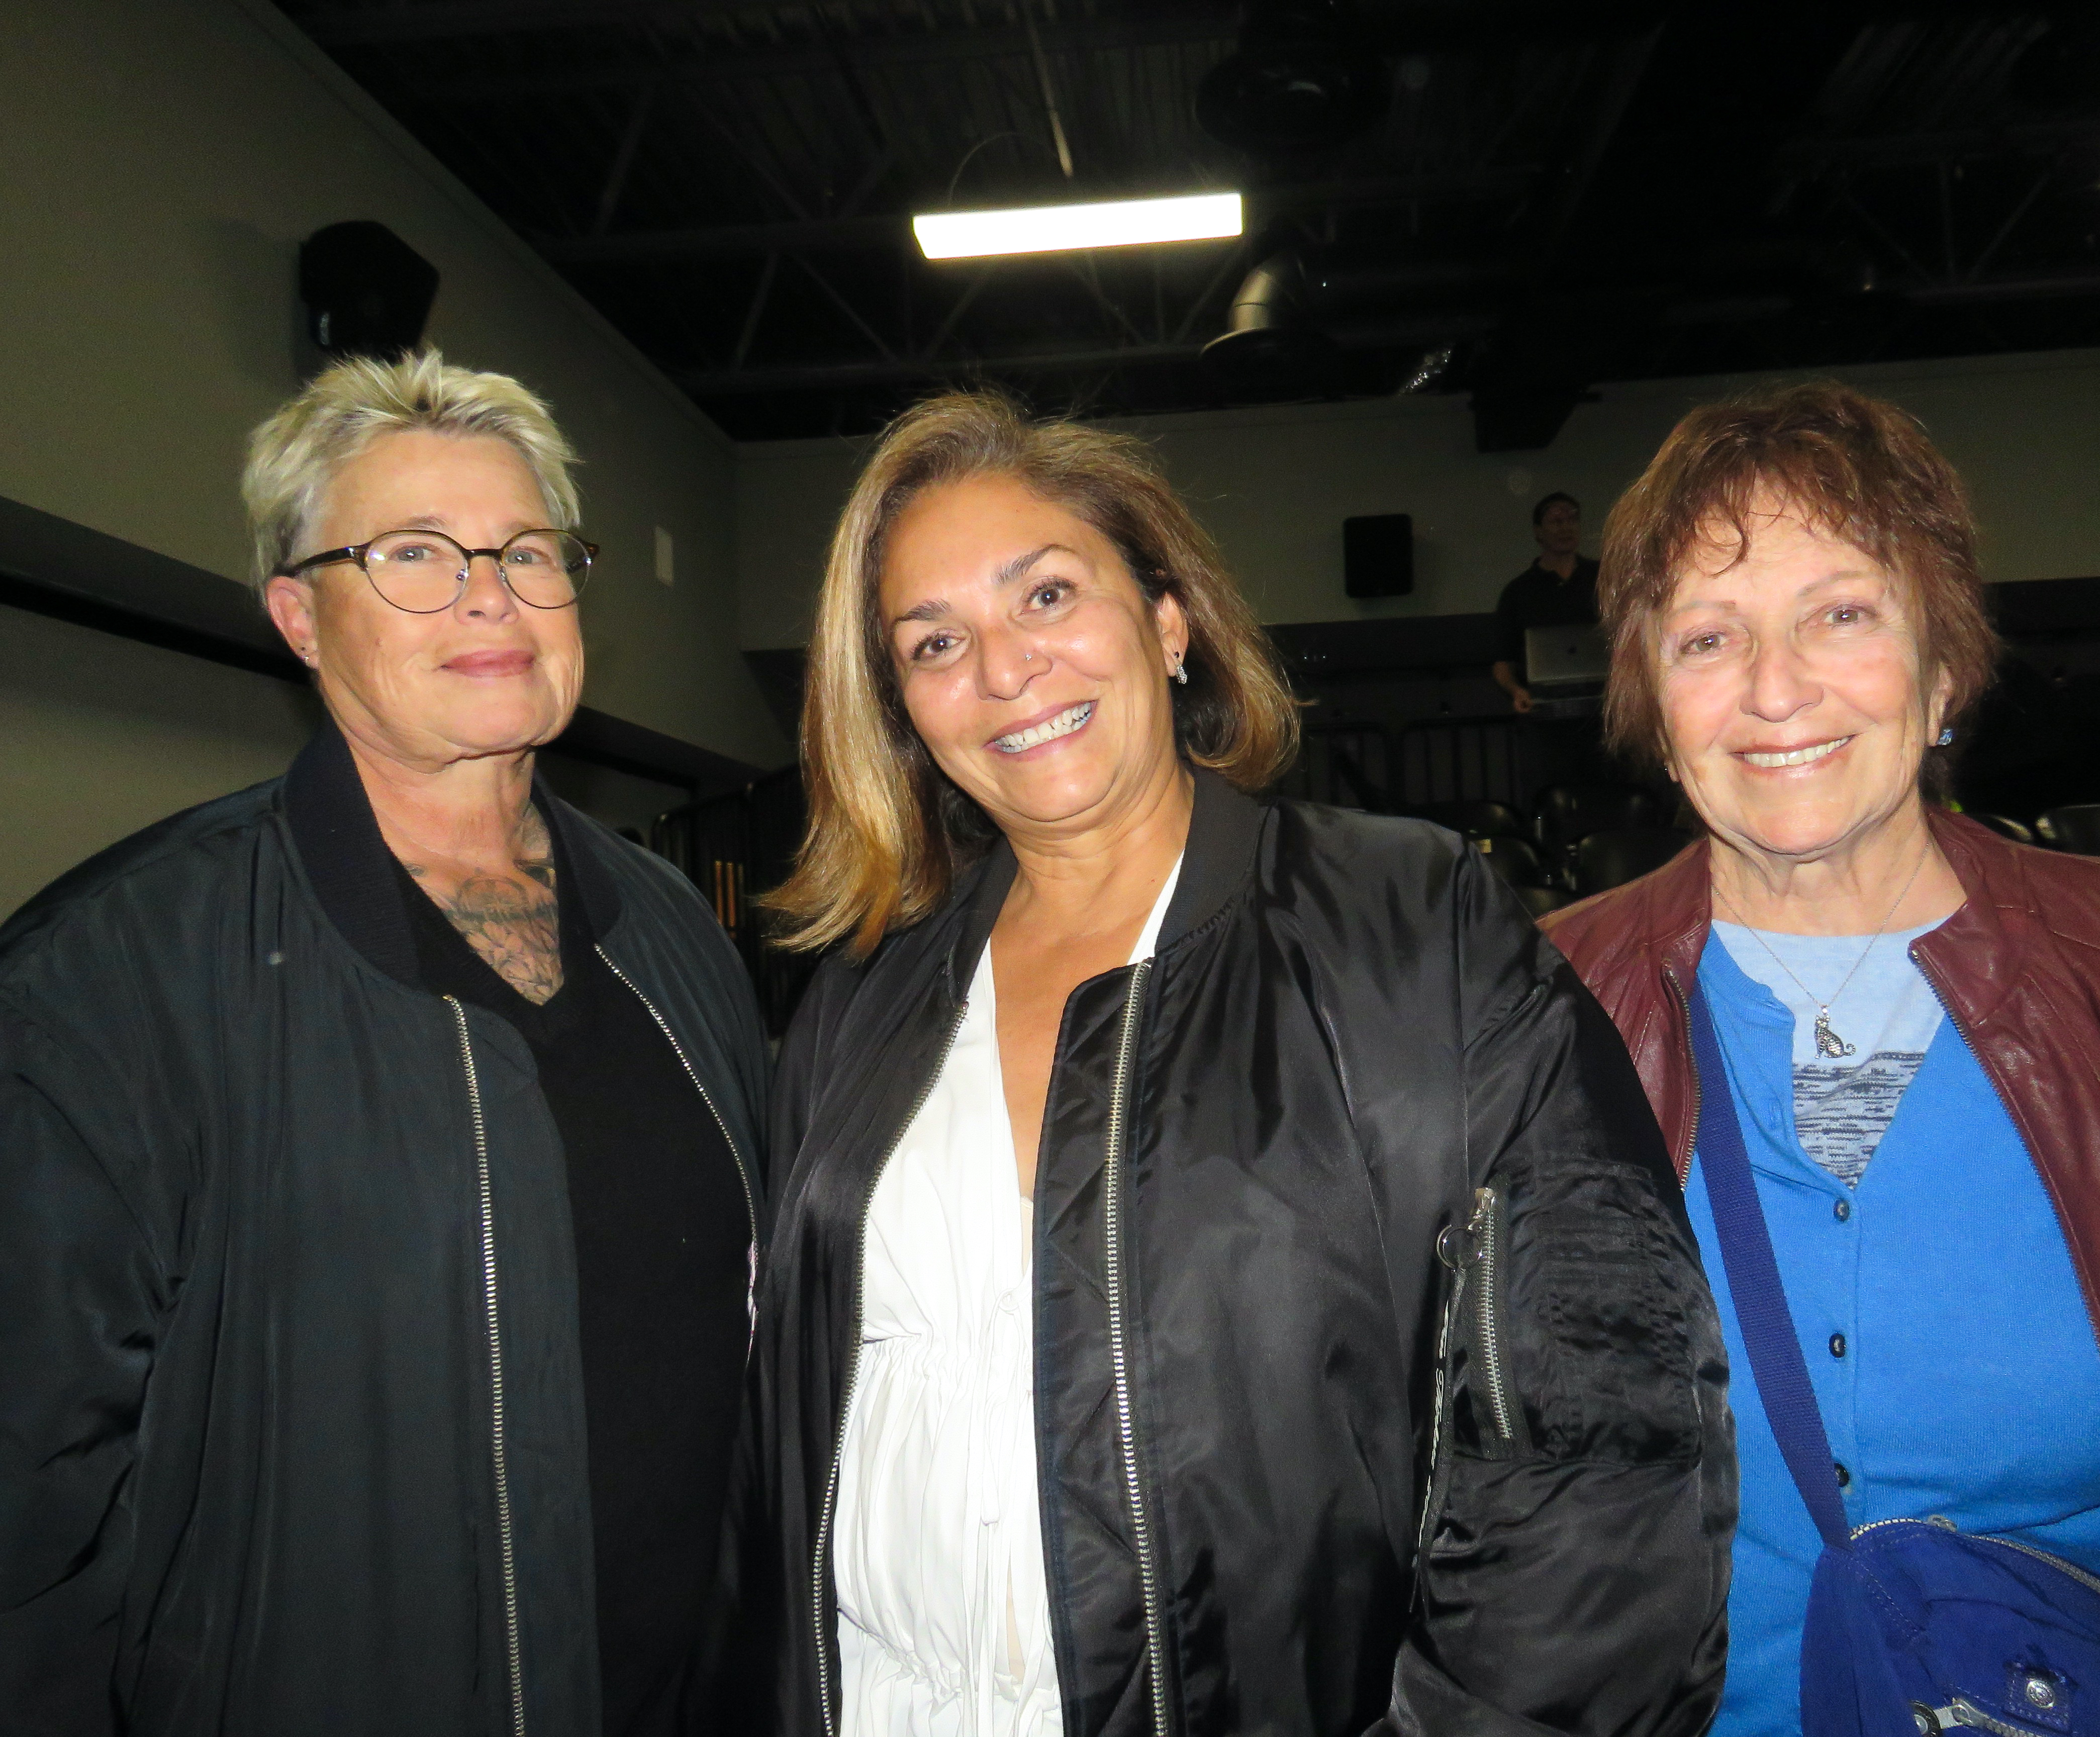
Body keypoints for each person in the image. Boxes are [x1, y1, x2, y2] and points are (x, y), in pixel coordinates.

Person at [757, 394, 1734, 1737]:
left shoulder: (1412, 926)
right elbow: (784, 1447)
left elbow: (1601, 1435)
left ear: (1169, 624)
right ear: (903, 709)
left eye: (1047, 594)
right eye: (935, 642)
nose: (1004, 667)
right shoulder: (859, 1000)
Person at [0, 351, 771, 1735]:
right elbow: (28, 1515)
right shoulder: (109, 978)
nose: (490, 595)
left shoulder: (677, 935)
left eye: (527, 551)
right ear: (300, 617)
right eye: (414, 552)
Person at [1546, 380, 2100, 1737]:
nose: (1775, 687)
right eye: (1708, 636)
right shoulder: (1539, 1007)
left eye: (1841, 614)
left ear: (1944, 667)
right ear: (1655, 707)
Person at [1492, 491, 1601, 713]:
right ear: (1539, 532)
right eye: (1557, 522)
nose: (1566, 528)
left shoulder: (1603, 578)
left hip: (1603, 704)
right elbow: (1502, 662)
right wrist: (1516, 691)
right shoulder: (1519, 592)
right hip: (1544, 706)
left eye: (1572, 520)